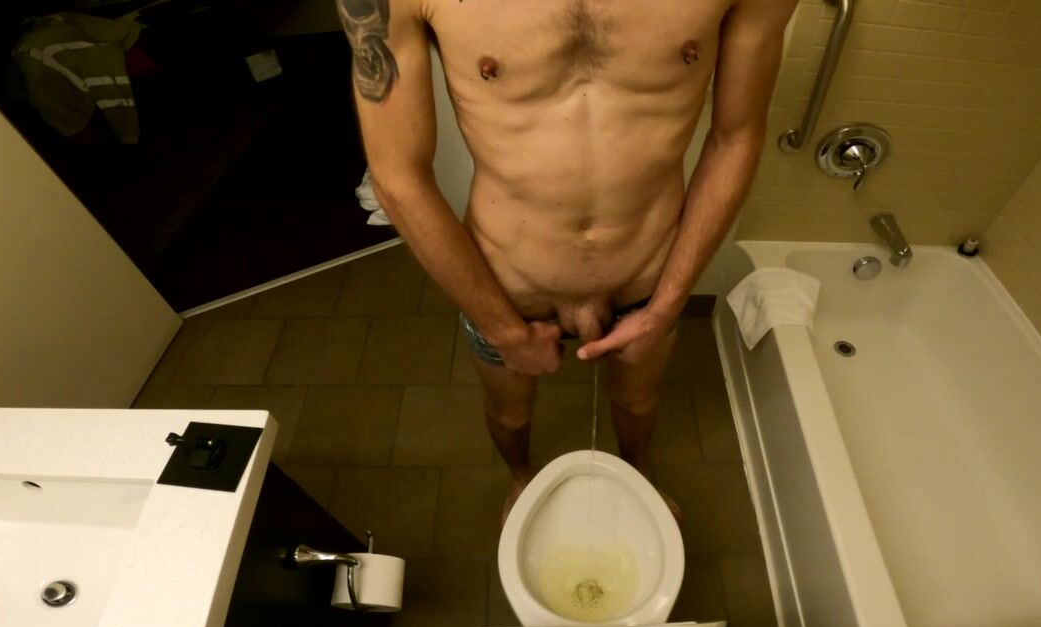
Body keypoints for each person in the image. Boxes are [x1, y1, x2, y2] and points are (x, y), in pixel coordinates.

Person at [340, 0, 795, 519]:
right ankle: (521, 479)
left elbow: (737, 137)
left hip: (646, 274)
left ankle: (639, 476)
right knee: (510, 414)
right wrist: (503, 330)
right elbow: (397, 177)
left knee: (638, 404)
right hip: (506, 285)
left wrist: (667, 304)